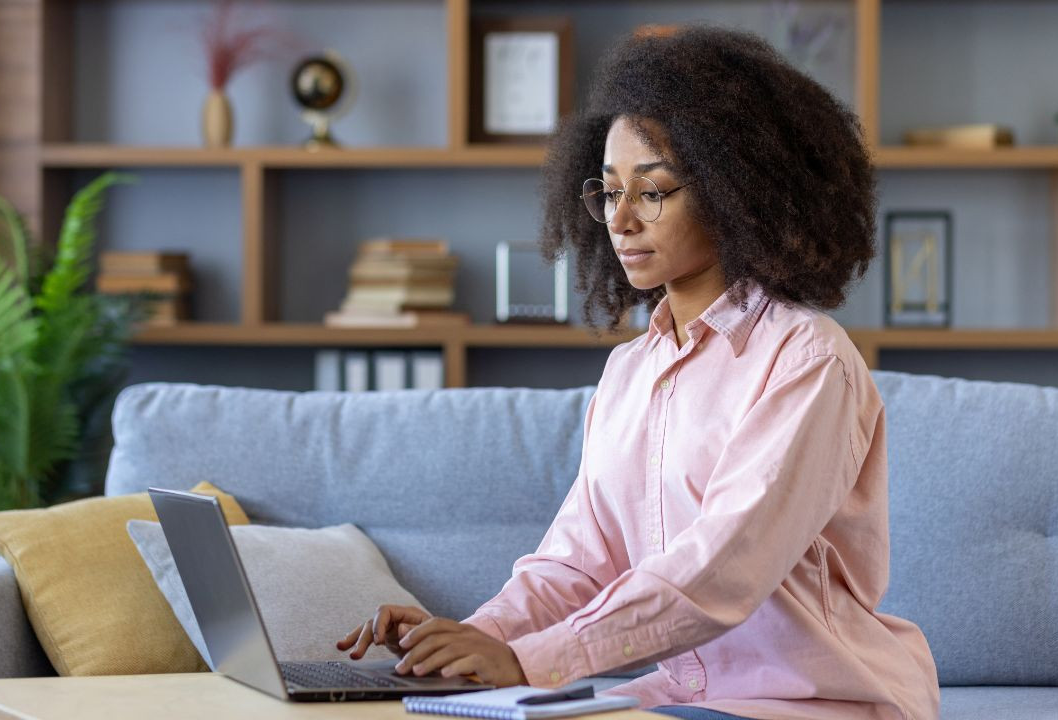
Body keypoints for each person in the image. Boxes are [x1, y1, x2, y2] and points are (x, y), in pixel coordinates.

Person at [337, 24, 940, 720]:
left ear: (734, 190)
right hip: (677, 699)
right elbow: (577, 561)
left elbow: (722, 568)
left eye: (651, 192)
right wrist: (473, 638)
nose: (619, 220)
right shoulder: (630, 371)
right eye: (609, 191)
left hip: (815, 699)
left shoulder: (807, 359)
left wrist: (531, 659)